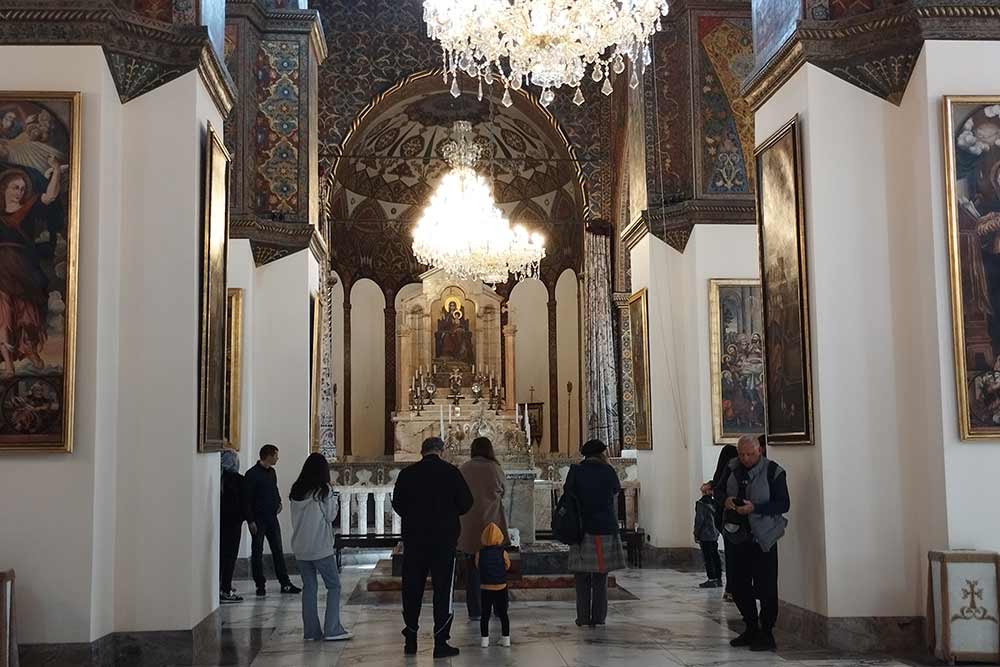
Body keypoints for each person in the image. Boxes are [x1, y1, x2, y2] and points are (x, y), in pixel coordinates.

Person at [391, 436, 474, 658]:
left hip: (415, 540)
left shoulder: (407, 474)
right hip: (443, 541)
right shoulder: (451, 473)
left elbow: (397, 504)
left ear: (422, 451)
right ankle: (440, 642)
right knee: (443, 590)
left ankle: (410, 638)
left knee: (412, 589)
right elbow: (467, 503)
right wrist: (447, 514)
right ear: (441, 451)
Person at [714, 434, 790, 652]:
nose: (745, 458)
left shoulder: (773, 471)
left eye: (750, 454)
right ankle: (750, 626)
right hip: (736, 535)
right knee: (738, 584)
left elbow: (783, 504)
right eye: (742, 454)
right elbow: (718, 490)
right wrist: (725, 500)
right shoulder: (731, 467)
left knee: (765, 585)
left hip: (763, 536)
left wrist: (754, 508)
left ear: (760, 452)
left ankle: (766, 632)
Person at [289, 453, 352, 642]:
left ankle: (311, 632)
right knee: (334, 586)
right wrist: (334, 499)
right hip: (319, 547)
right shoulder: (323, 490)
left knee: (309, 587)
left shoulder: (296, 489)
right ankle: (332, 629)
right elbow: (331, 516)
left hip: (300, 546)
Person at [566, 439, 626, 627]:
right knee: (600, 577)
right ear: (602, 454)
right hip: (604, 528)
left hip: (580, 529)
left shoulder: (575, 471)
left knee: (581, 576)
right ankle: (598, 617)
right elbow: (616, 491)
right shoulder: (607, 471)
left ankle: (582, 617)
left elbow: (567, 495)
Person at [458, 437, 508, 622]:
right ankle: (497, 607)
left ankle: (475, 610)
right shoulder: (494, 468)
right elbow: (504, 490)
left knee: (472, 569)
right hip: (491, 525)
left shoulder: (464, 468)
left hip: (469, 526)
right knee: (494, 566)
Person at [244, 444, 301, 597]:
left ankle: (285, 583)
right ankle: (260, 584)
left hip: (271, 517)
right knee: (257, 551)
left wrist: (279, 502)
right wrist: (250, 520)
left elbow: (274, 489)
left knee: (278, 550)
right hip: (258, 519)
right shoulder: (251, 474)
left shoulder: (272, 472)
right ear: (268, 456)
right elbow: (247, 499)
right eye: (276, 455)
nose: (277, 458)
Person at [702, 444, 738, 601]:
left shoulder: (721, 475)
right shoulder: (733, 472)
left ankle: (730, 588)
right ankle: (732, 588)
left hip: (723, 520)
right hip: (731, 519)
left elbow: (717, 486)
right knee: (734, 555)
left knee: (731, 555)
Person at [476, 522, 511, 648]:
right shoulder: (503, 552)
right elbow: (507, 565)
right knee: (503, 614)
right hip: (501, 586)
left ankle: (484, 640)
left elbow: (477, 566)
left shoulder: (479, 553)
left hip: (485, 587)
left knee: (485, 614)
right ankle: (506, 639)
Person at [219, 449, 248, 604]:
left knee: (221, 556)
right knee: (230, 556)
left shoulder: (220, 479)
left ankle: (221, 585)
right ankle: (226, 588)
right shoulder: (238, 480)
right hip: (234, 523)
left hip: (221, 523)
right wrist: (247, 518)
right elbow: (244, 503)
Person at [693, 483, 722, 589]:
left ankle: (712, 579)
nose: (703, 485)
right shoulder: (715, 503)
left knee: (708, 558)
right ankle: (718, 579)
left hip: (705, 534)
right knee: (715, 556)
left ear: (709, 490)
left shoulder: (701, 503)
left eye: (706, 486)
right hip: (714, 533)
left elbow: (699, 520)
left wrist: (696, 533)